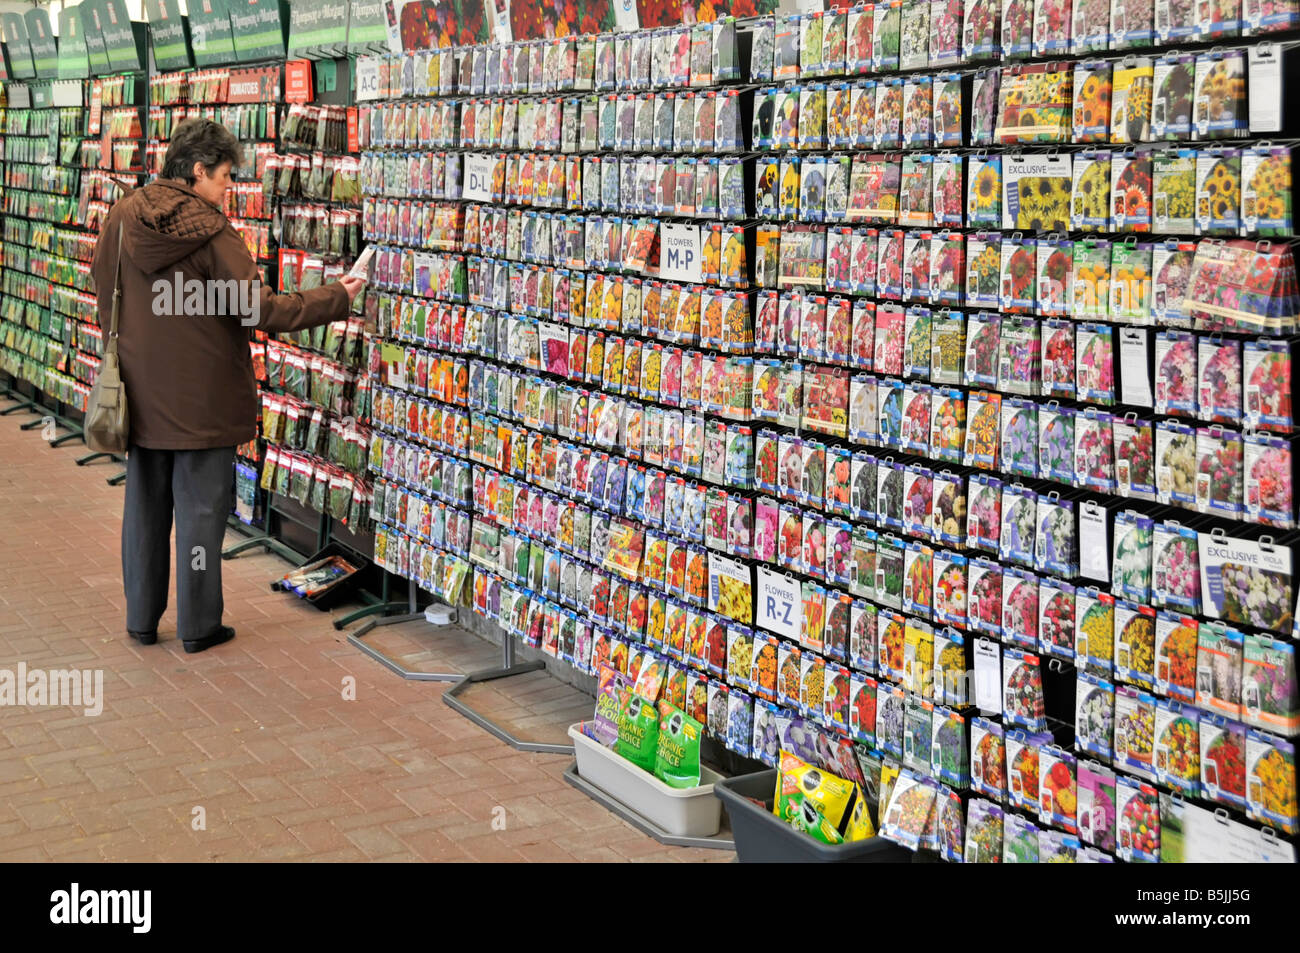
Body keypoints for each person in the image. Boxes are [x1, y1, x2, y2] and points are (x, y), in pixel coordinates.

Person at [90, 118, 366, 654]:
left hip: (138, 395)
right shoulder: (211, 231)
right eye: (224, 177)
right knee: (199, 518)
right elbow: (260, 310)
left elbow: (105, 285)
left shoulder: (123, 217)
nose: (228, 189)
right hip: (203, 403)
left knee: (144, 513)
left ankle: (142, 620)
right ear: (197, 172)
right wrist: (337, 296)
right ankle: (198, 626)